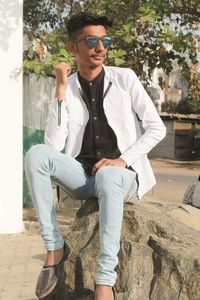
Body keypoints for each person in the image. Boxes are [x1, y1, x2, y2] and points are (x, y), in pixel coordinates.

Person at [25, 12, 166, 300]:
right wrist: (61, 91)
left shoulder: (124, 78)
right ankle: (54, 247)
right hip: (84, 176)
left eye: (104, 40)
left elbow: (156, 128)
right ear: (73, 47)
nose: (100, 47)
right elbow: (53, 144)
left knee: (110, 173)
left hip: (122, 176)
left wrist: (123, 159)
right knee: (37, 154)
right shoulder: (70, 86)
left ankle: (104, 282)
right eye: (92, 40)